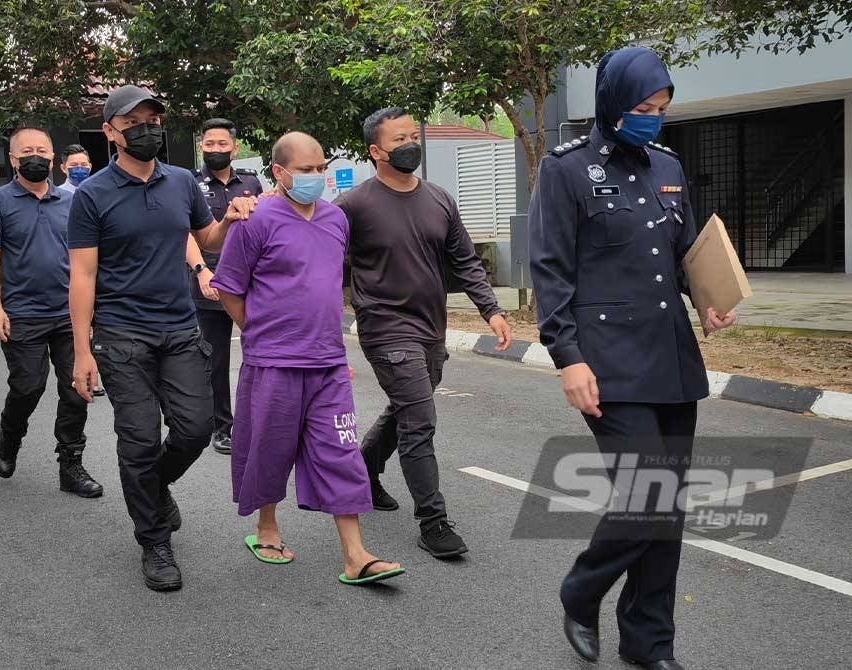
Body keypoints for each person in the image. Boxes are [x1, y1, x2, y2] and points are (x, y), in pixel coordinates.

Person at [529, 48, 737, 670]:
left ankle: (649, 643)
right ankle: (581, 589)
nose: (653, 117)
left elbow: (681, 253)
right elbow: (550, 270)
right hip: (607, 362)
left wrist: (708, 301)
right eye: (643, 107)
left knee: (666, 512)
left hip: (671, 357)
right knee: (648, 497)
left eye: (662, 108)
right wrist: (567, 356)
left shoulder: (668, 166)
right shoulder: (566, 169)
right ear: (612, 102)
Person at [67, 85, 257, 592]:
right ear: (110, 132)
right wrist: (82, 350)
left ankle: (153, 487)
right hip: (121, 334)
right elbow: (82, 275)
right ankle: (154, 540)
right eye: (133, 123)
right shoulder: (92, 195)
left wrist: (229, 221)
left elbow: (204, 237)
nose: (146, 129)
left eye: (153, 120)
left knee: (196, 429)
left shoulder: (180, 182)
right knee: (138, 439)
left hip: (179, 328)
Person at [212, 131, 403, 586]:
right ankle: (266, 527)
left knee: (342, 453)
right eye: (305, 170)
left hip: (328, 363)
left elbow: (327, 286)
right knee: (270, 447)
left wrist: (330, 348)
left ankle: (355, 555)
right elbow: (229, 288)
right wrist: (261, 333)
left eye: (320, 169)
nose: (316, 176)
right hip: (273, 361)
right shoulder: (255, 220)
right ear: (279, 172)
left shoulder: (336, 219)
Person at [334, 107, 512, 560]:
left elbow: (465, 261)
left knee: (406, 409)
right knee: (420, 419)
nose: (410, 144)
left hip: (432, 326)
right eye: (399, 139)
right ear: (376, 151)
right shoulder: (353, 206)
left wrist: (491, 310)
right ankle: (432, 521)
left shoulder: (439, 198)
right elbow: (327, 266)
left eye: (414, 135)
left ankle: (364, 470)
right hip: (385, 328)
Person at [0, 127, 103, 499]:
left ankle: (71, 465)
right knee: (28, 386)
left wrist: (94, 311)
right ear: (13, 159)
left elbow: (86, 260)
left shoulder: (72, 202)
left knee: (77, 389)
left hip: (69, 314)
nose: (36, 156)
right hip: (22, 314)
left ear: (52, 157)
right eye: (27, 151)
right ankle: (10, 436)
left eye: (42, 150)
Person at [186, 118, 263, 456]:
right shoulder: (190, 184)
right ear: (200, 146)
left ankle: (259, 421)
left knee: (260, 353)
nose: (215, 149)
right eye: (209, 144)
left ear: (235, 147)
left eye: (222, 144)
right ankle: (222, 426)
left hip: (250, 285)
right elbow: (186, 233)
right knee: (215, 361)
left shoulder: (250, 182)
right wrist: (201, 271)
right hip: (210, 283)